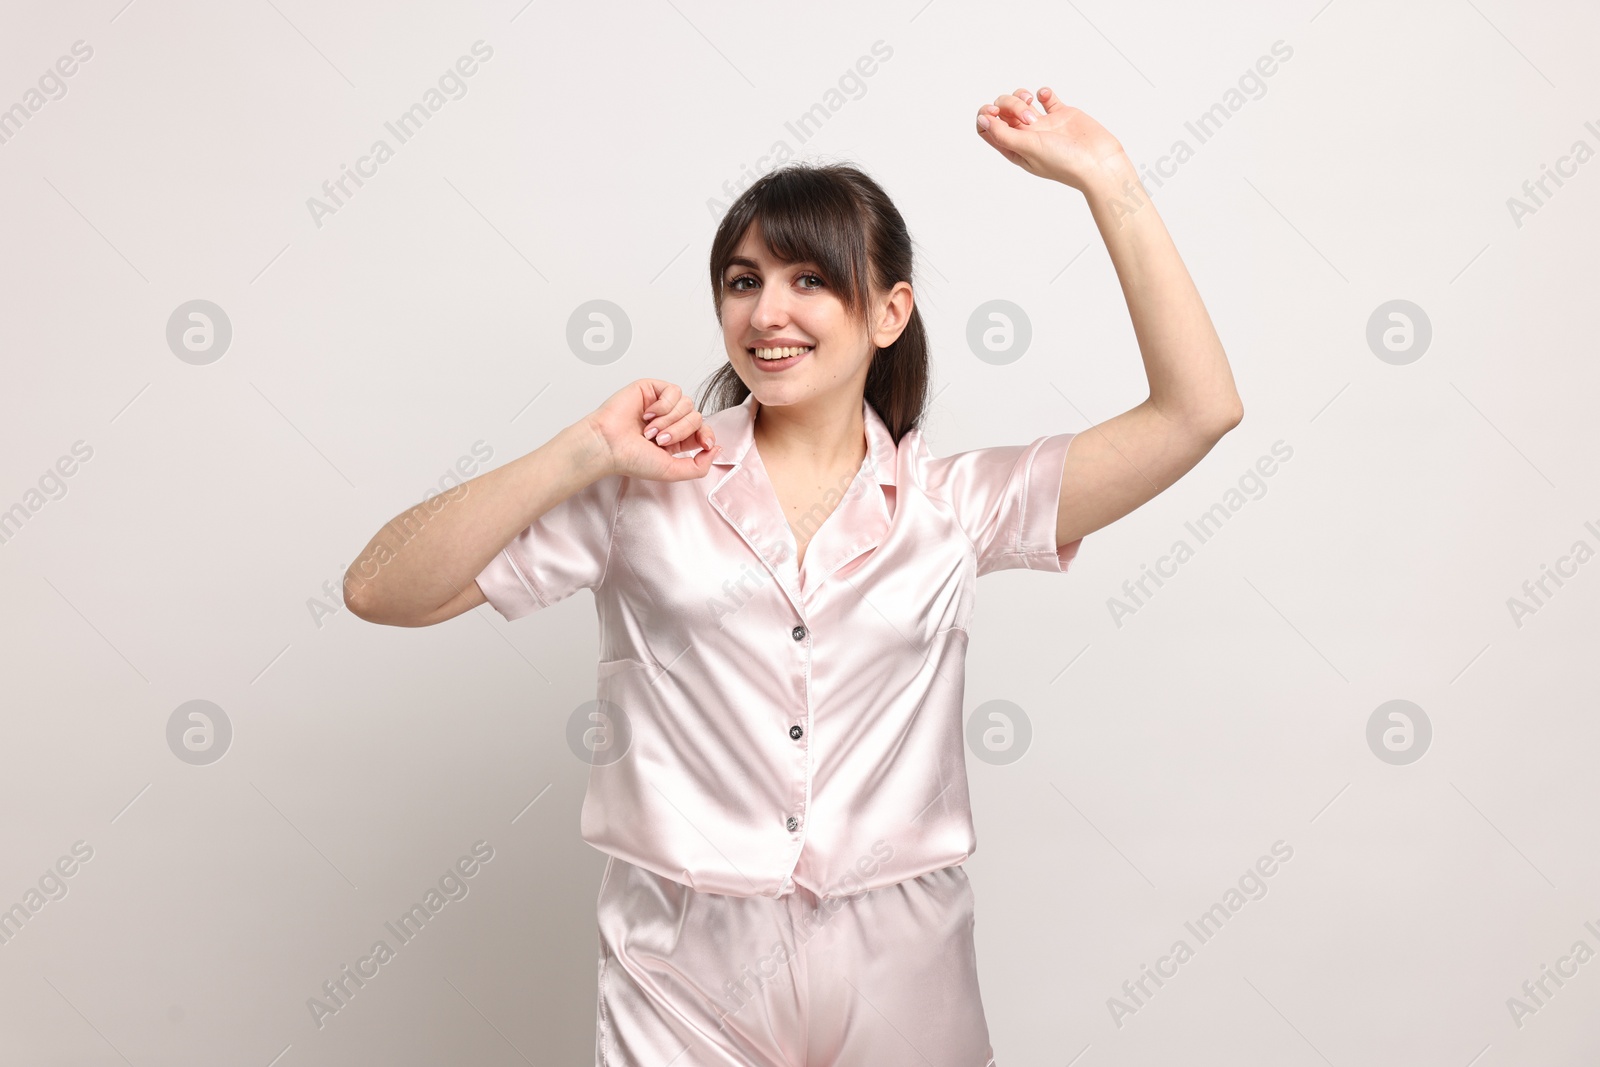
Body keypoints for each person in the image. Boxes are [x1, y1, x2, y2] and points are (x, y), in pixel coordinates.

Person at [344, 86, 1242, 1067]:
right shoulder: (641, 490)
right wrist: (580, 453)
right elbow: (382, 588)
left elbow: (1197, 410)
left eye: (809, 279)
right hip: (680, 965)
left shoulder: (955, 504)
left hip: (903, 962)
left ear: (889, 310)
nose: (767, 312)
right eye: (741, 280)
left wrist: (1105, 178)